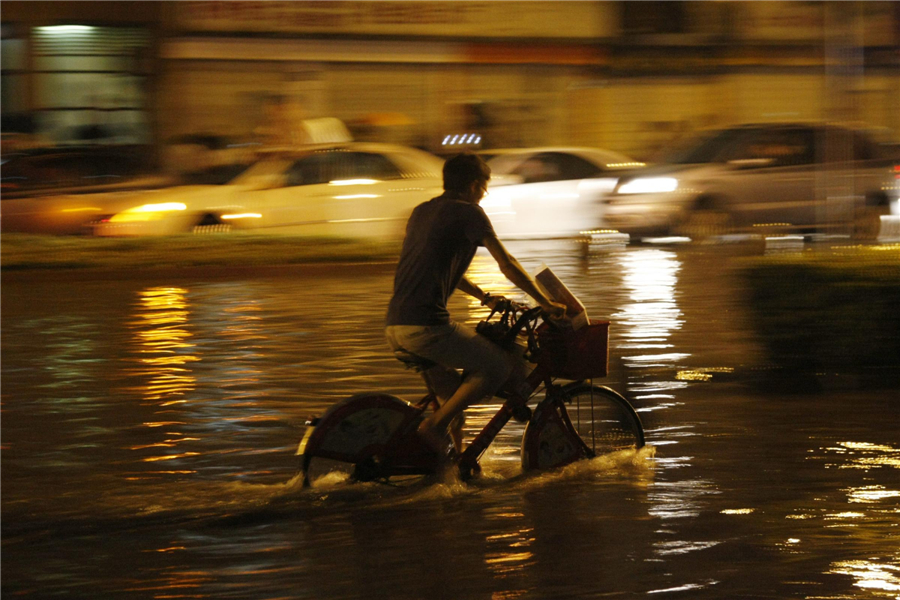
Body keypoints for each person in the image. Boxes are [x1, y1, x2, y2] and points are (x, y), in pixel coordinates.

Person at [385, 152, 567, 455]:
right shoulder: (470, 213)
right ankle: (433, 426)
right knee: (497, 366)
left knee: (453, 407)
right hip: (427, 327)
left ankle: (454, 466)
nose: (484, 194)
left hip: (395, 326)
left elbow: (439, 268)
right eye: (484, 187)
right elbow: (506, 263)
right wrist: (545, 302)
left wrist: (483, 297)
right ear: (473, 186)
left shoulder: (421, 211)